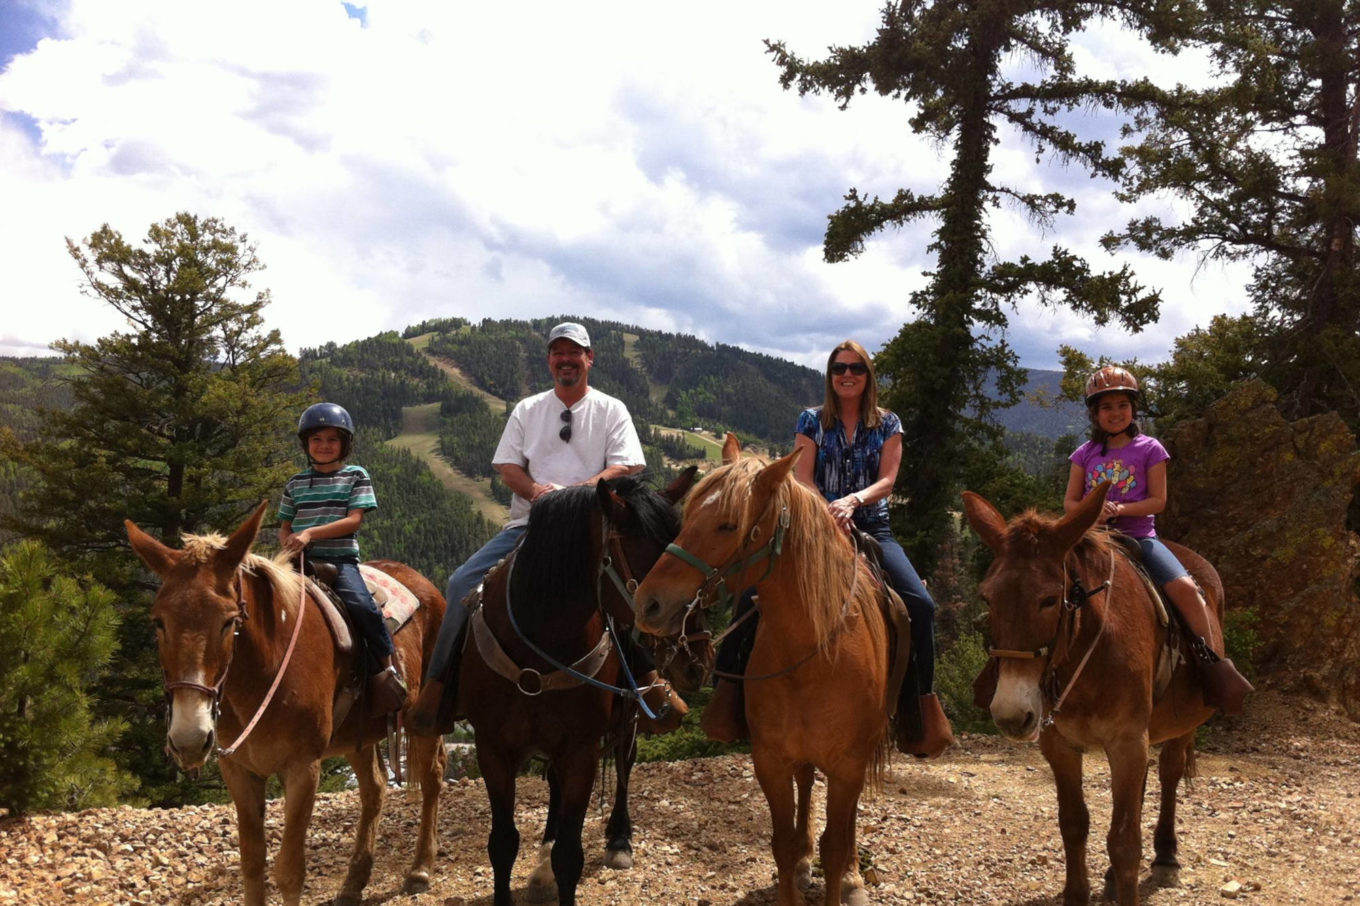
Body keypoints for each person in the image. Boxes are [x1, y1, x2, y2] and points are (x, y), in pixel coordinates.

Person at [407, 322, 687, 736]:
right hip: (529, 525)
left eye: (574, 353)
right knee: (461, 581)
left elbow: (625, 465)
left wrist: (575, 496)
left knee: (630, 585)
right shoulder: (528, 409)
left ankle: (645, 685)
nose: (566, 360)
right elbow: (507, 469)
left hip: (595, 530)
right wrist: (540, 494)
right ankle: (440, 688)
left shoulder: (611, 409)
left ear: (589, 359)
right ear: (549, 361)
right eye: (558, 353)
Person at [702, 340, 955, 758]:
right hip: (815, 527)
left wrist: (854, 501)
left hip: (873, 527)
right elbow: (803, 478)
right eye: (839, 369)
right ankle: (728, 696)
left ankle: (921, 708)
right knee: (750, 594)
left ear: (867, 376)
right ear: (830, 376)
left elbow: (888, 480)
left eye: (856, 368)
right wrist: (826, 510)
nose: (847, 375)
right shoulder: (811, 420)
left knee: (921, 605)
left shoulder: (889, 424)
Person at [1065, 364, 1253, 715]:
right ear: (1095, 414)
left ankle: (1214, 669)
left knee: (1187, 591)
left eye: (1122, 405)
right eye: (1106, 407)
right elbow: (1071, 502)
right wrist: (1093, 512)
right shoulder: (1084, 454)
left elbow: (1158, 501)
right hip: (1094, 537)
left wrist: (1120, 507)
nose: (1115, 413)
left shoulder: (1150, 448)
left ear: (1133, 408)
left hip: (1139, 537)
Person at [279, 402, 408, 712]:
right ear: (306, 444)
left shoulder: (355, 476)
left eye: (332, 440)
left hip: (340, 563)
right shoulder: (295, 483)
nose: (324, 446)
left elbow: (354, 521)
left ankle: (386, 671)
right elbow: (285, 526)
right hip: (299, 563)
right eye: (317, 440)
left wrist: (310, 534)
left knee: (364, 607)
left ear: (344, 444)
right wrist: (288, 546)